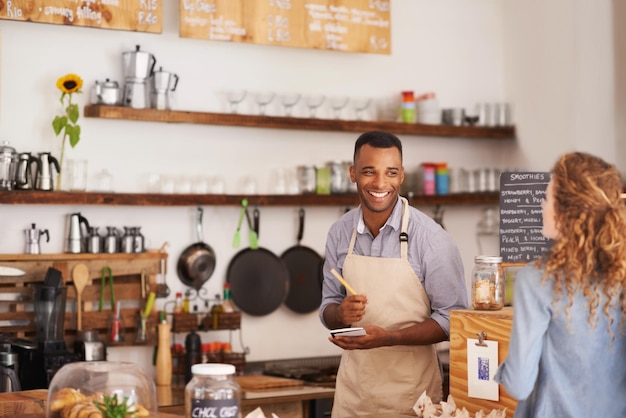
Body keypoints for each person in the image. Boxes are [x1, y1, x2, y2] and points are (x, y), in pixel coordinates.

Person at [319, 131, 468, 417]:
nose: (379, 183)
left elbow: (453, 320)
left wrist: (389, 337)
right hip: (353, 398)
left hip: (412, 399)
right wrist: (341, 314)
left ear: (401, 176)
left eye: (390, 172)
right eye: (368, 172)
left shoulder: (432, 240)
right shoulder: (340, 233)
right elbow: (327, 308)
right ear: (353, 174)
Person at [494, 152, 626, 417]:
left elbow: (519, 385)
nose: (541, 206)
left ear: (567, 213)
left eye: (547, 198)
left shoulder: (538, 279)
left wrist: (502, 371)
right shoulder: (621, 272)